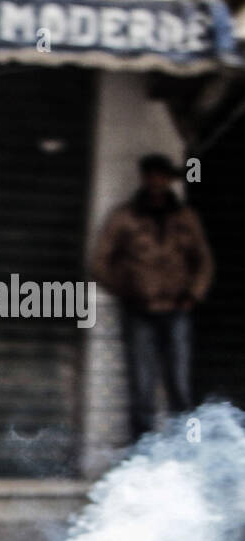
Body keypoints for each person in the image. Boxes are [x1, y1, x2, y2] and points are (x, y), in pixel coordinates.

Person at [90, 153, 214, 443]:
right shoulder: (124, 216)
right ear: (144, 178)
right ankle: (142, 458)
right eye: (151, 175)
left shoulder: (186, 217)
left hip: (177, 310)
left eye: (162, 175)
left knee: (180, 387)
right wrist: (124, 290)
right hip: (138, 311)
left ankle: (183, 455)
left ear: (170, 179)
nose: (157, 181)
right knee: (142, 389)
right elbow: (98, 261)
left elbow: (204, 261)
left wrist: (193, 295)